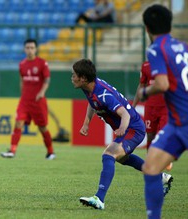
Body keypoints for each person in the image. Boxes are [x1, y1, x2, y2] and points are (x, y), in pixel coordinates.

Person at [71, 59, 172, 210]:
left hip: (133, 128)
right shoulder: (90, 87)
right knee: (122, 158)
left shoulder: (103, 94)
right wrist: (86, 123)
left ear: (83, 78)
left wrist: (122, 129)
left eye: (74, 75)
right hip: (130, 127)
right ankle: (160, 177)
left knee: (109, 155)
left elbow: (125, 114)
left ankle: (99, 198)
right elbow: (92, 103)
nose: (72, 77)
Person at [138, 5, 188, 219]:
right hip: (178, 124)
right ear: (170, 25)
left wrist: (145, 92)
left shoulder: (155, 48)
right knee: (150, 167)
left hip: (181, 122)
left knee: (151, 169)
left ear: (147, 28)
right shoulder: (184, 47)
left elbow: (162, 83)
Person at [0, 39, 55, 160]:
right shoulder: (22, 64)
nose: (30, 50)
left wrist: (42, 92)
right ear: (24, 49)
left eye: (32, 47)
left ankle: (50, 151)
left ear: (36, 49)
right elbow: (22, 81)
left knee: (42, 127)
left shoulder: (42, 63)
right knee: (18, 122)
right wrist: (22, 95)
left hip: (38, 101)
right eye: (28, 47)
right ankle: (12, 150)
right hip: (25, 100)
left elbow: (47, 80)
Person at [132, 61, 173, 171]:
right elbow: (141, 86)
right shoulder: (145, 66)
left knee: (162, 135)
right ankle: (151, 159)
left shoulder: (169, 64)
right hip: (150, 106)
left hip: (165, 106)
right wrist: (133, 105)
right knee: (150, 135)